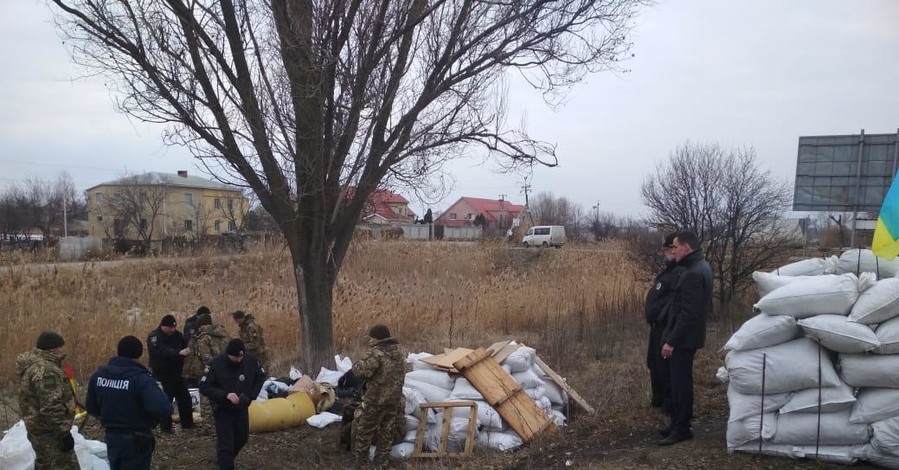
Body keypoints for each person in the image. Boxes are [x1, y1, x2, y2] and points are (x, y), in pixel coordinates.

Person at [85, 336, 173, 470]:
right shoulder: (140, 378)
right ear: (139, 353)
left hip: (111, 437)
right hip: (137, 439)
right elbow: (163, 408)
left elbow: (91, 406)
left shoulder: (99, 375)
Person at [658, 230, 713, 446]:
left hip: (684, 340)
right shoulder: (701, 266)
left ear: (687, 247)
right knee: (680, 382)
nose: (674, 250)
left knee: (681, 384)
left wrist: (671, 341)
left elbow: (689, 313)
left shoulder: (692, 273)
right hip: (689, 337)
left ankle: (681, 428)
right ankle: (677, 422)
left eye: (676, 247)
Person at [16, 331, 78, 470]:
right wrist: (64, 433)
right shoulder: (46, 371)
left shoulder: (37, 366)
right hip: (50, 432)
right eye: (60, 347)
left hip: (40, 429)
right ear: (52, 348)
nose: (62, 350)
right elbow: (50, 406)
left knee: (45, 464)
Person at [199, 339, 265, 470]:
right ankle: (226, 463)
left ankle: (224, 459)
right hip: (223, 408)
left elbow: (260, 377)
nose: (239, 359)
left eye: (241, 356)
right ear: (228, 354)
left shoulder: (250, 361)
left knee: (242, 437)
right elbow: (204, 386)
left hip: (242, 407)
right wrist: (225, 395)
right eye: (236, 357)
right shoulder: (215, 364)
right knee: (226, 445)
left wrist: (251, 396)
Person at [351, 324, 405, 468]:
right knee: (386, 432)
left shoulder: (376, 353)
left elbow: (361, 372)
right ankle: (382, 463)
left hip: (375, 401)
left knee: (364, 431)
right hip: (393, 400)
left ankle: (361, 464)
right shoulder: (400, 351)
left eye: (372, 338)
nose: (370, 341)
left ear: (378, 338)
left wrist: (357, 363)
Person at [644, 233, 682, 412]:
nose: (665, 253)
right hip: (657, 327)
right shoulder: (669, 270)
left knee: (664, 366)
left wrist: (660, 316)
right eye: (665, 250)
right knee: (653, 363)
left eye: (668, 249)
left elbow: (674, 302)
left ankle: (669, 404)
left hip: (666, 326)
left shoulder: (680, 272)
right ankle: (658, 399)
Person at [147, 314, 195, 432]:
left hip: (178, 373)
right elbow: (160, 351)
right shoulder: (154, 337)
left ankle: (188, 424)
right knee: (165, 400)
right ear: (163, 326)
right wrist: (177, 352)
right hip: (163, 374)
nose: (173, 330)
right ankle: (166, 427)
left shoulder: (178, 335)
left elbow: (185, 346)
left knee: (185, 398)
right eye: (170, 328)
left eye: (174, 327)